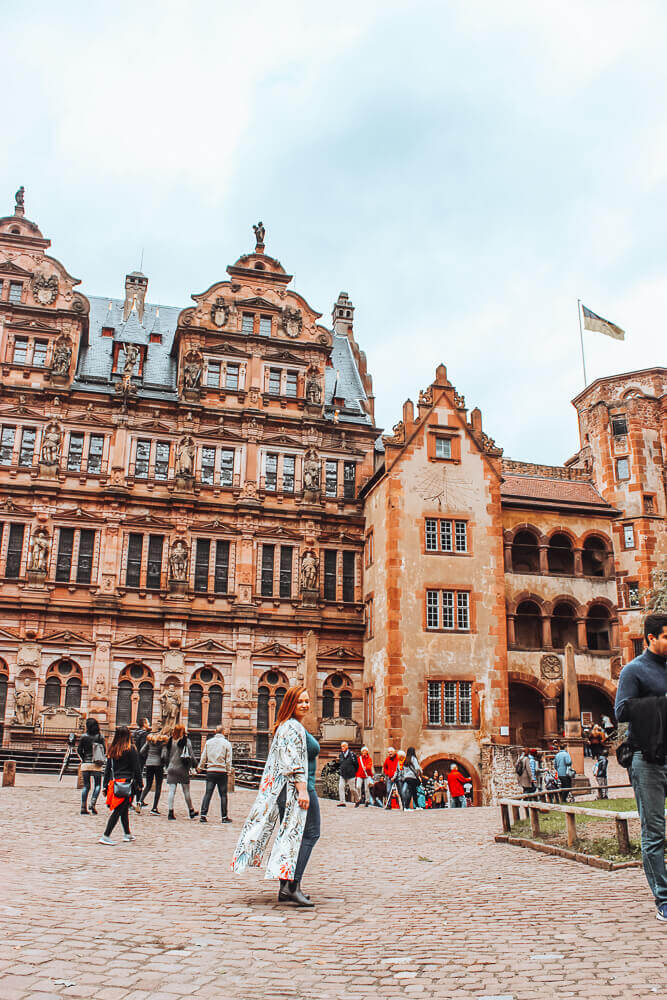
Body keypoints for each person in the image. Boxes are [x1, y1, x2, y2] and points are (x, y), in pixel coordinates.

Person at [232, 685, 320, 908]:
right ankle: (292, 885)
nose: (305, 705)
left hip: (290, 789)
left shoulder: (290, 726)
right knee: (309, 834)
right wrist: (302, 791)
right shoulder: (291, 727)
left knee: (291, 835)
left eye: (307, 701)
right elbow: (293, 762)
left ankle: (285, 887)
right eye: (300, 701)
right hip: (298, 788)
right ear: (290, 703)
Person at [615, 613, 667, 922]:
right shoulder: (634, 671)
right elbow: (622, 710)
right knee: (654, 831)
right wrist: (662, 702)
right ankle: (664, 898)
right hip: (647, 758)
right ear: (650, 638)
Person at [99, 726, 143, 845]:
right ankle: (106, 835)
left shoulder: (113, 748)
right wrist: (140, 783)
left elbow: (108, 769)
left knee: (123, 809)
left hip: (116, 783)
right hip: (126, 783)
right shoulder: (131, 748)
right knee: (118, 810)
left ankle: (127, 834)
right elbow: (136, 768)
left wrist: (105, 785)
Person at [198, 725, 233, 824]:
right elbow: (229, 759)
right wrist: (229, 770)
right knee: (223, 795)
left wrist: (200, 767)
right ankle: (224, 817)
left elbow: (203, 756)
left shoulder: (208, 742)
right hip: (222, 772)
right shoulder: (227, 743)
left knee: (208, 793)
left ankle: (203, 815)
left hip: (211, 771)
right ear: (223, 732)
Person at [165, 724, 198, 820]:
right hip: (183, 768)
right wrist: (195, 765)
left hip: (171, 768)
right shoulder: (186, 741)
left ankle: (170, 812)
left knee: (171, 791)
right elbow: (191, 755)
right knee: (186, 791)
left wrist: (167, 766)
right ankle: (191, 810)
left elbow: (166, 755)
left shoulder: (170, 740)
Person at [78, 717, 106, 815]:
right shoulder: (100, 737)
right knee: (97, 785)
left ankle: (83, 806)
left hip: (86, 763)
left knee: (86, 786)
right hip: (96, 764)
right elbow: (104, 750)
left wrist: (84, 758)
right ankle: (93, 803)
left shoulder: (83, 736)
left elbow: (79, 750)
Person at [139, 728, 168, 814]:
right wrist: (164, 762)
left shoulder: (149, 741)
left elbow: (141, 751)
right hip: (158, 765)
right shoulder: (163, 742)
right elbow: (163, 755)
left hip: (149, 764)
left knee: (148, 785)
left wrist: (147, 757)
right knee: (158, 786)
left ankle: (140, 802)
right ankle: (154, 808)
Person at [337, 741, 358, 807]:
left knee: (352, 789)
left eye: (343, 746)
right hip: (343, 774)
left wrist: (354, 772)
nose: (342, 748)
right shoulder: (341, 755)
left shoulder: (352, 755)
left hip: (351, 775)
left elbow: (356, 765)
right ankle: (342, 802)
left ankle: (358, 800)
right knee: (341, 787)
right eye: (341, 747)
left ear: (347, 747)